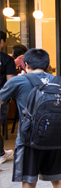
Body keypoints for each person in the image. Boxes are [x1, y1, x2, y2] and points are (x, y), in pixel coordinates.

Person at [0, 49, 61, 188]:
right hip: (55, 138)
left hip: (28, 140)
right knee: (58, 179)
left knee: (28, 182)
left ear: (26, 65)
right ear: (47, 65)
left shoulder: (18, 80)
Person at [1, 30, 18, 164]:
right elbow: (10, 82)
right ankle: (1, 153)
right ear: (2, 42)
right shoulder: (7, 59)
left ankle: (1, 152)